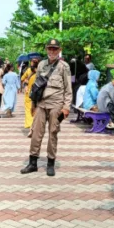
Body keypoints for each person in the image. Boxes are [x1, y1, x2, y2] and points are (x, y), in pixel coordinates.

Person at [21, 39, 72, 177]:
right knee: (36, 133)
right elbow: (36, 86)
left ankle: (50, 163)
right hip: (41, 104)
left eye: (55, 49)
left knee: (53, 133)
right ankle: (33, 163)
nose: (52, 51)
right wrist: (33, 104)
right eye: (50, 48)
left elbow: (68, 89)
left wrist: (66, 107)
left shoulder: (64, 66)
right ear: (46, 49)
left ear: (59, 50)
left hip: (56, 104)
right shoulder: (42, 65)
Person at [24, 59, 39, 137]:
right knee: (36, 113)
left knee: (29, 112)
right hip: (38, 95)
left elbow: (23, 79)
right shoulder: (41, 73)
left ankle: (31, 128)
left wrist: (26, 86)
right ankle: (33, 128)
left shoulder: (29, 72)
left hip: (29, 95)